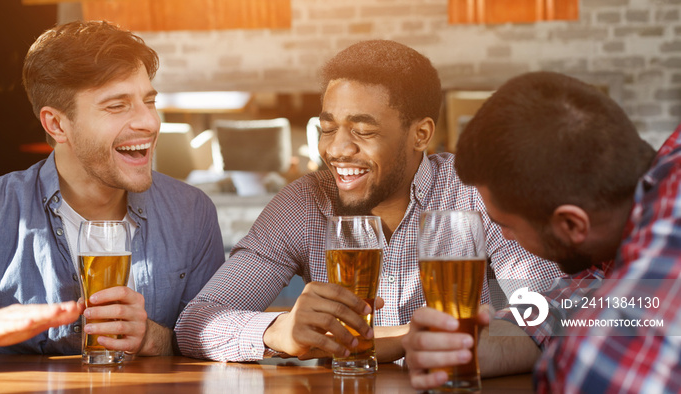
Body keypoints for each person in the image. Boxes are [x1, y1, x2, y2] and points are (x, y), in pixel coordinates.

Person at [174, 40, 564, 363]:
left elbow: (551, 315)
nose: (337, 149)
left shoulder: (475, 192)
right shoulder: (304, 202)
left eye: (363, 130)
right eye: (327, 129)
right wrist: (278, 331)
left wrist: (407, 344)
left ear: (421, 134)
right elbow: (195, 324)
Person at [403, 71, 680, 392]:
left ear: (571, 225)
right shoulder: (623, 225)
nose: (503, 236)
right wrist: (482, 346)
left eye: (505, 224)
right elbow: (576, 299)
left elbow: (597, 375)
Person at [0, 21, 225, 355]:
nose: (149, 122)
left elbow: (211, 343)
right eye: (117, 105)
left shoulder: (192, 212)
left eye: (148, 101)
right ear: (57, 124)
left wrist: (151, 337)